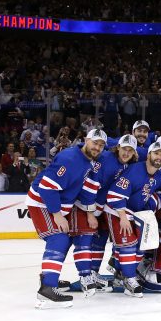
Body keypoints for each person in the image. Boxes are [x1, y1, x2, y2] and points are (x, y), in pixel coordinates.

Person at [25, 129, 108, 309]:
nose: (97, 147)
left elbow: (83, 190)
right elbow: (47, 188)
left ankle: (48, 278)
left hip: (56, 204)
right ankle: (47, 288)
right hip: (42, 202)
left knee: (65, 239)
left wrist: (89, 211)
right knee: (59, 237)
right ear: (86, 140)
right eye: (95, 143)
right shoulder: (69, 158)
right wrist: (56, 214)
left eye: (101, 145)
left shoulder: (87, 162)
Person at [104, 139, 161, 298]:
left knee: (143, 244)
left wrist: (155, 202)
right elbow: (114, 195)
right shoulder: (134, 171)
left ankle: (121, 273)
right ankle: (129, 279)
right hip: (117, 209)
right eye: (156, 153)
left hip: (136, 213)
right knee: (129, 244)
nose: (159, 157)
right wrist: (122, 217)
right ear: (149, 154)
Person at [87, 134, 138, 292]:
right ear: (118, 148)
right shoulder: (107, 159)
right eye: (124, 149)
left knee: (105, 238)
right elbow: (90, 185)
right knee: (95, 240)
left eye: (130, 150)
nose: (126, 153)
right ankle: (90, 274)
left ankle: (113, 273)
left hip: (106, 207)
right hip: (93, 205)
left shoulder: (127, 164)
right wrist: (90, 211)